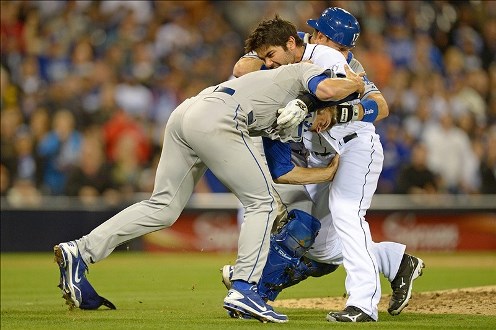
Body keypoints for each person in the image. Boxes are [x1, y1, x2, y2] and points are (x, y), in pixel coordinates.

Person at [53, 61, 365, 324]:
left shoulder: (283, 101)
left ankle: (80, 251)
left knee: (162, 206)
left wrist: (323, 173)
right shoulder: (304, 69)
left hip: (188, 113)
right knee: (264, 204)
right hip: (218, 118)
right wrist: (356, 84)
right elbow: (325, 88)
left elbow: (281, 171)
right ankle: (244, 288)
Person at [225, 10, 425, 322]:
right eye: (338, 45)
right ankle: (393, 261)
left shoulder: (342, 64)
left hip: (352, 148)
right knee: (321, 247)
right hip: (319, 156)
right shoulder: (291, 48)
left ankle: (363, 304)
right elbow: (244, 66)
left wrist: (336, 111)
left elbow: (379, 106)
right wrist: (292, 75)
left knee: (347, 212)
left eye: (347, 50)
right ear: (320, 36)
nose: (344, 54)